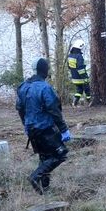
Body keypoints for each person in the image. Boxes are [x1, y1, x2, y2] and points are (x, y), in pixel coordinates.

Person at [16, 58, 70, 194]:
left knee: (45, 157)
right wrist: (64, 130)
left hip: (31, 130)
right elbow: (54, 110)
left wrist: (26, 126)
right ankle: (35, 177)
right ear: (44, 70)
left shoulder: (23, 87)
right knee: (60, 155)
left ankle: (44, 191)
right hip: (45, 129)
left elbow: (20, 109)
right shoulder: (45, 88)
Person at [67, 39, 91, 106]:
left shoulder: (70, 56)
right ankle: (90, 102)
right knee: (87, 89)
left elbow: (69, 66)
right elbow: (80, 68)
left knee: (79, 90)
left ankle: (74, 103)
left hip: (74, 77)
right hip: (81, 77)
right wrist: (85, 77)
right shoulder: (79, 56)